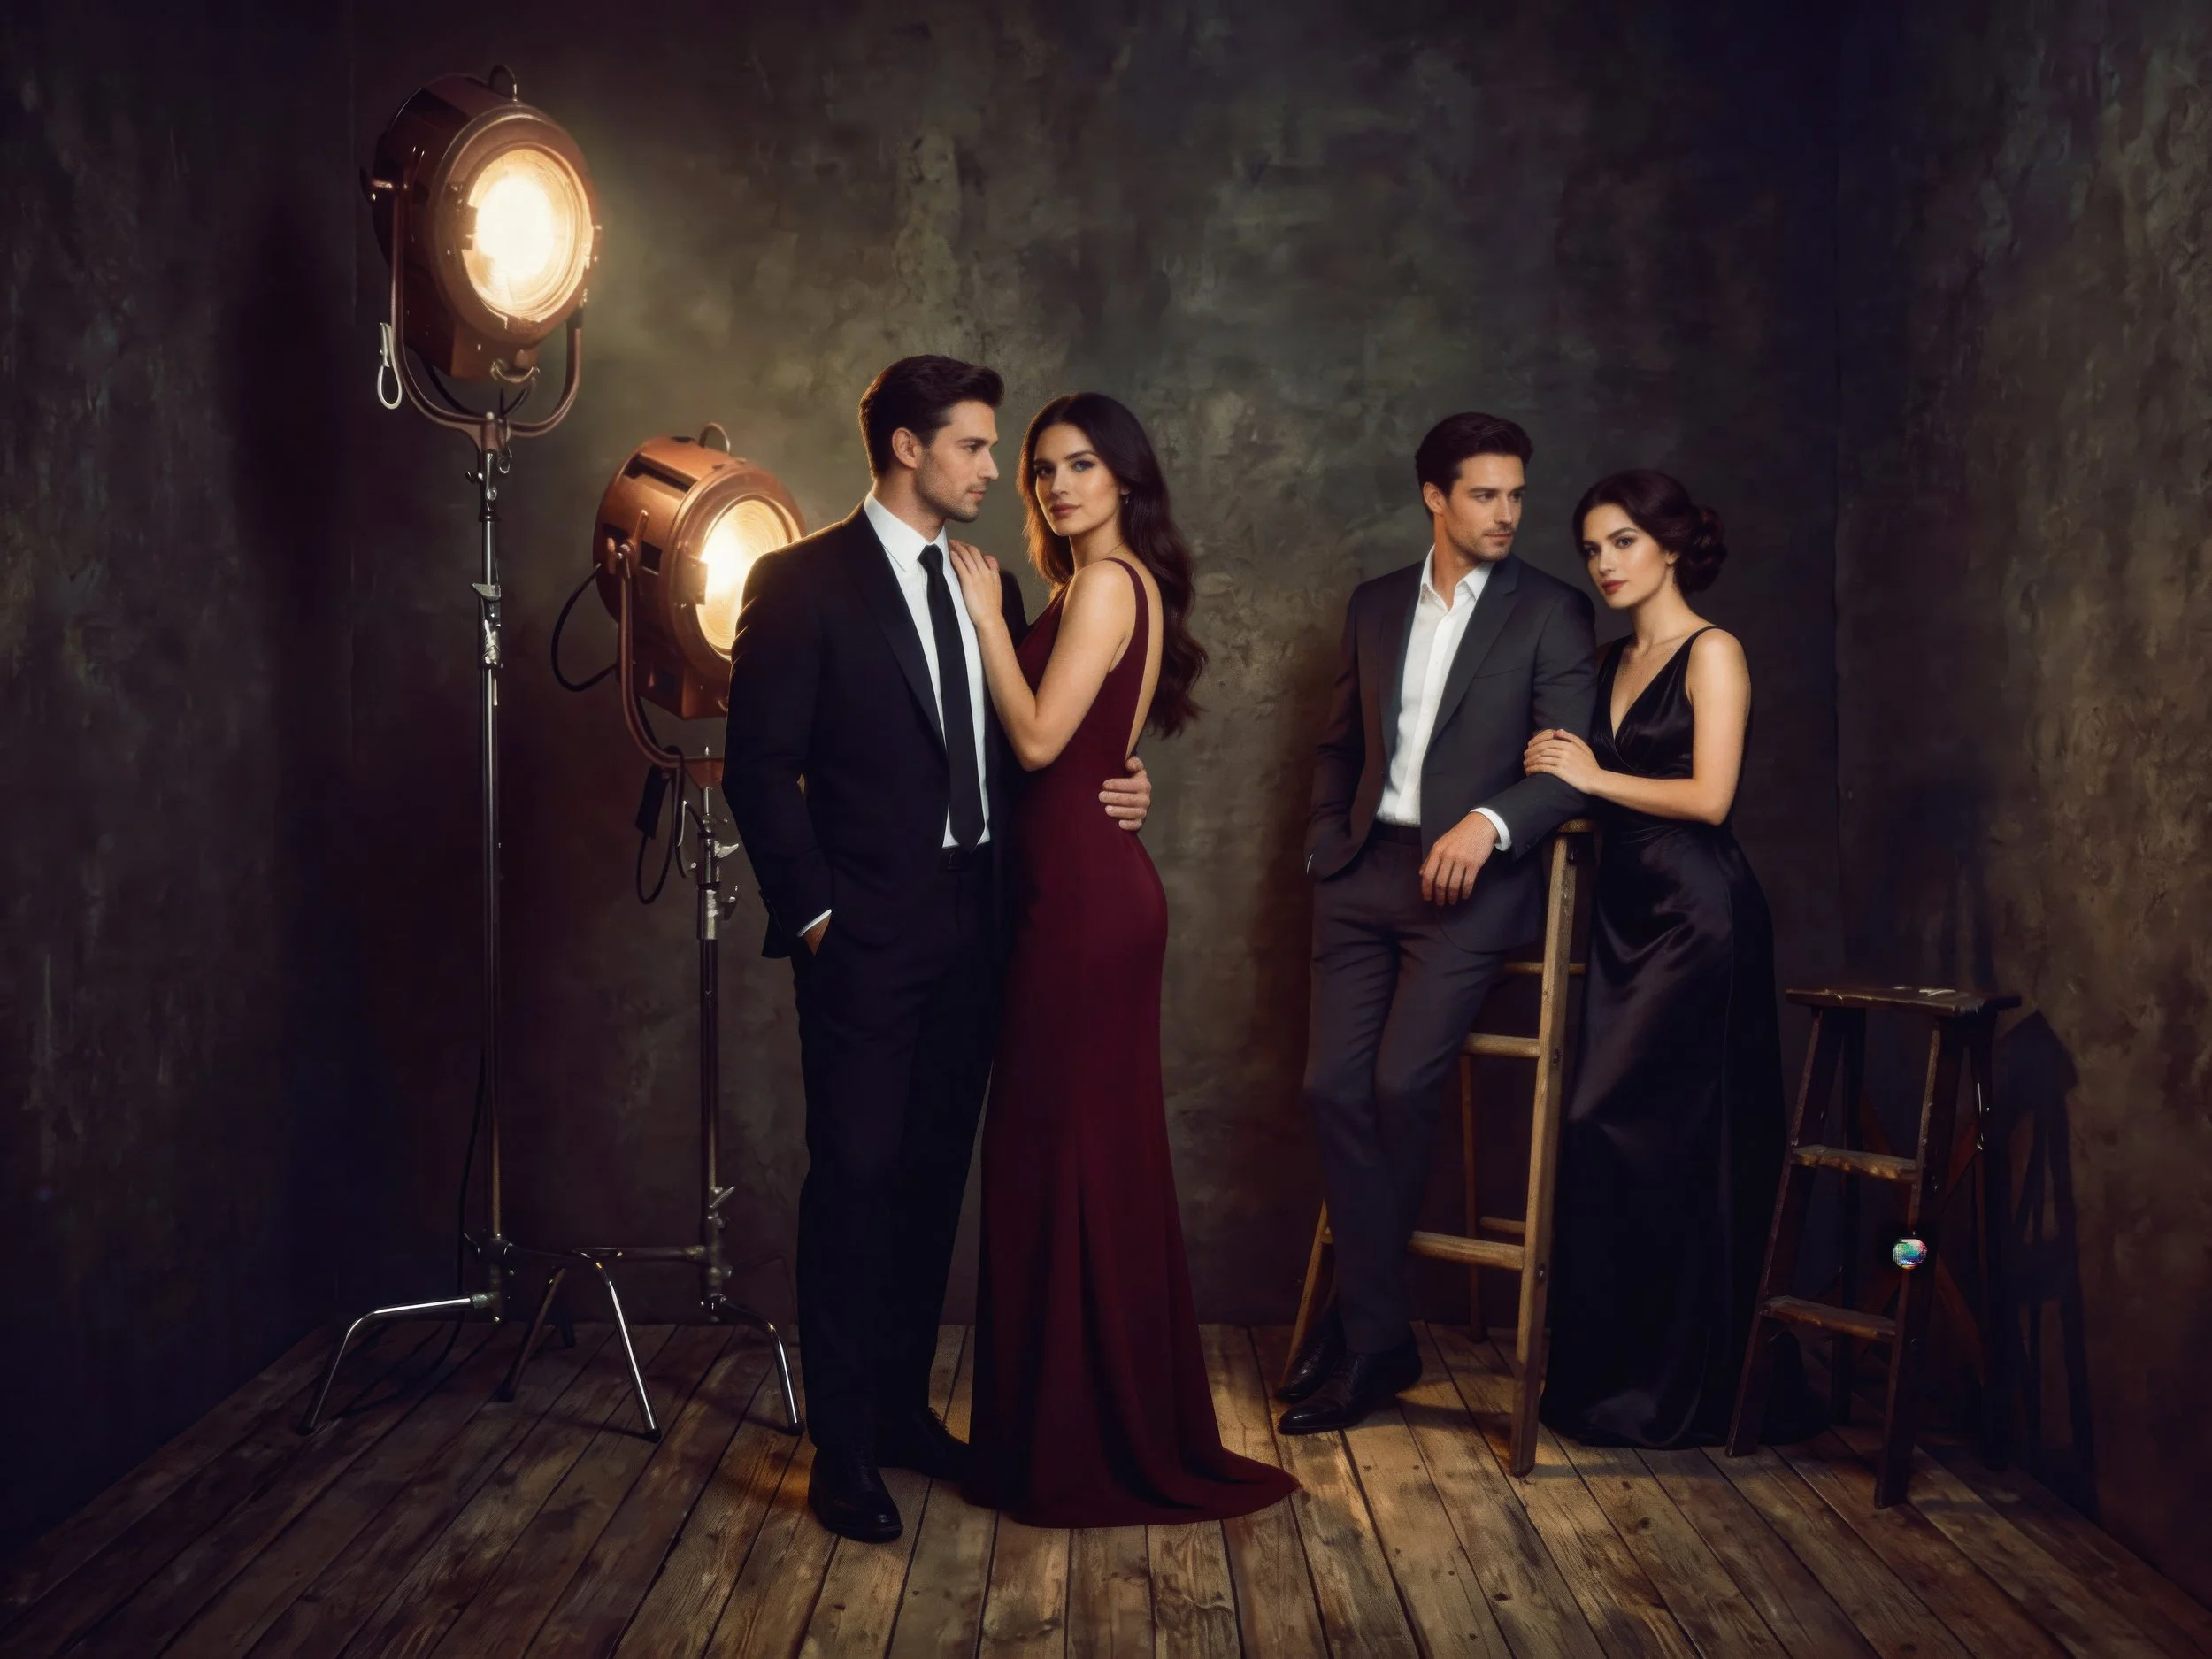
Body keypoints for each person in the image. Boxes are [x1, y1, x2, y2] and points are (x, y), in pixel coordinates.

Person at [722, 357, 1154, 1543]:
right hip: (861, 939)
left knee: (927, 1185)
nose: (992, 467)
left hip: (983, 926)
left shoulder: (988, 582)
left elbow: (1029, 742)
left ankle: (905, 1410)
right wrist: (813, 917)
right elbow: (759, 766)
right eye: (973, 445)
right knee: (855, 1179)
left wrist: (1124, 782)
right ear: (909, 448)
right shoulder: (799, 580)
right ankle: (845, 1445)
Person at [947, 392, 1297, 1525]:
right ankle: (1070, 1428)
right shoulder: (1093, 587)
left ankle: (1080, 1445)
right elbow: (1093, 758)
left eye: (1081, 465)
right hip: (1077, 891)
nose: (1055, 486)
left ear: (1126, 480)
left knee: (1072, 1162)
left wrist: (990, 621)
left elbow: (1043, 739)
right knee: (1069, 1160)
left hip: (1086, 912)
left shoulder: (1101, 585)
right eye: (1042, 468)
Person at [1280, 412, 1599, 1434]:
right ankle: (1377, 1330)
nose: (1506, 513)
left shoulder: (1551, 611)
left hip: (1468, 891)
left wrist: (1490, 821)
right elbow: (1337, 744)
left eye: (1515, 495)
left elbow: (1566, 768)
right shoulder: (1374, 605)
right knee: (1330, 1086)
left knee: (1396, 1083)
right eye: (1484, 495)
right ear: (1435, 497)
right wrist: (1325, 839)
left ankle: (1366, 1336)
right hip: (1360, 875)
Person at [1525, 469, 1808, 1448]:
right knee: (1616, 1140)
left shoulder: (1712, 651)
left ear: (1672, 547)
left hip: (1699, 915)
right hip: (1623, 912)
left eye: (1623, 543)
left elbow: (1710, 798)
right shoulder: (1603, 662)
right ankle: (1620, 1385)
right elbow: (1569, 781)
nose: (1603, 562)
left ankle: (1693, 1391)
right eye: (1592, 548)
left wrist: (1592, 773)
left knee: (1661, 1134)